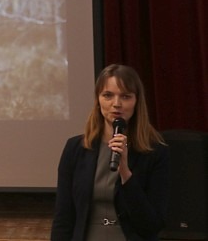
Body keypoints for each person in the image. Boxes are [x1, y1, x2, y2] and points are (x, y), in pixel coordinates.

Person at [51, 63, 170, 241]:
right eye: (108, 95)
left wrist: (125, 173)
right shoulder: (75, 148)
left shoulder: (155, 152)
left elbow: (151, 225)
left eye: (125, 96)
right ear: (98, 101)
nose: (116, 104)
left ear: (136, 102)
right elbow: (63, 217)